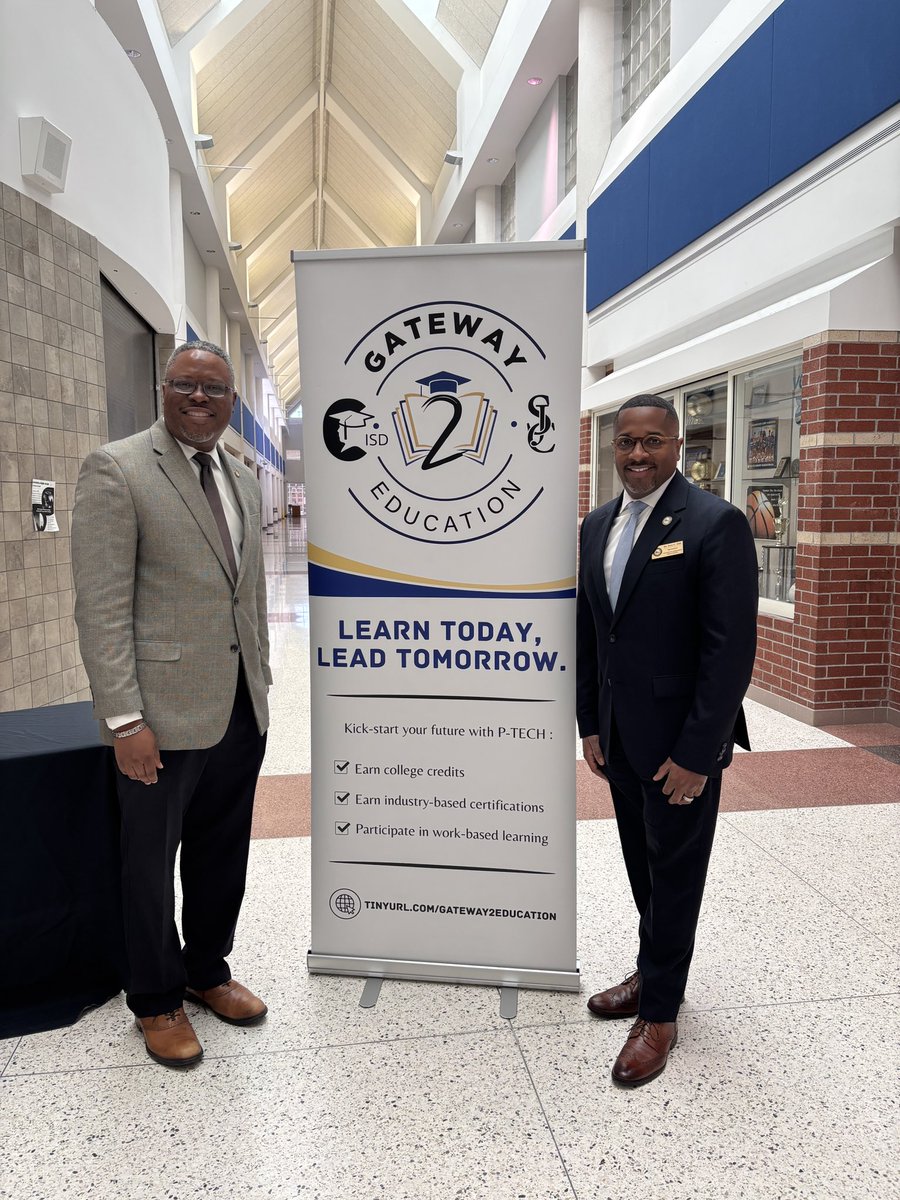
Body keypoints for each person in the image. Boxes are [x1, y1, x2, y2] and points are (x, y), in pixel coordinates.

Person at [72, 340, 272, 1068]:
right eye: (186, 384)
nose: (200, 398)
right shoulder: (118, 469)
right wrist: (124, 718)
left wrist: (263, 682)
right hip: (158, 715)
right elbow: (100, 608)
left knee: (224, 853)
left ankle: (206, 970)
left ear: (230, 402)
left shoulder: (243, 479)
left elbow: (245, 593)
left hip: (237, 708)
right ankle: (155, 998)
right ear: (164, 388)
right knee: (150, 866)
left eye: (215, 389)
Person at [576, 394, 758, 1086]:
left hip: (681, 747)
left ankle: (660, 1013)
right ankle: (656, 968)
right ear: (613, 448)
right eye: (626, 443)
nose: (638, 455)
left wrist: (699, 755)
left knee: (676, 874)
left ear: (677, 446)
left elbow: (729, 653)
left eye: (652, 442)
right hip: (619, 739)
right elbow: (592, 632)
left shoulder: (715, 525)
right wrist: (589, 722)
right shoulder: (597, 526)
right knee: (640, 866)